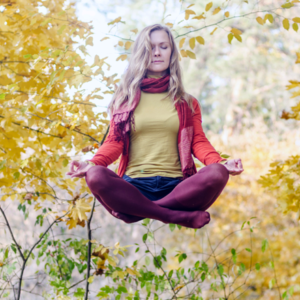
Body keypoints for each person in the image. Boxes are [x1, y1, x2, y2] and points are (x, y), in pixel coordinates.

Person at [66, 24, 244, 229]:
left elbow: (198, 141)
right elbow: (114, 142)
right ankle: (173, 215)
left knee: (217, 173)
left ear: (171, 53)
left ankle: (138, 211)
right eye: (151, 47)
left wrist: (220, 162)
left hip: (178, 188)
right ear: (142, 53)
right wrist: (92, 163)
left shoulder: (187, 102)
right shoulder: (124, 100)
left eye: (164, 46)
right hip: (134, 186)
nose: (157, 52)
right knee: (95, 174)